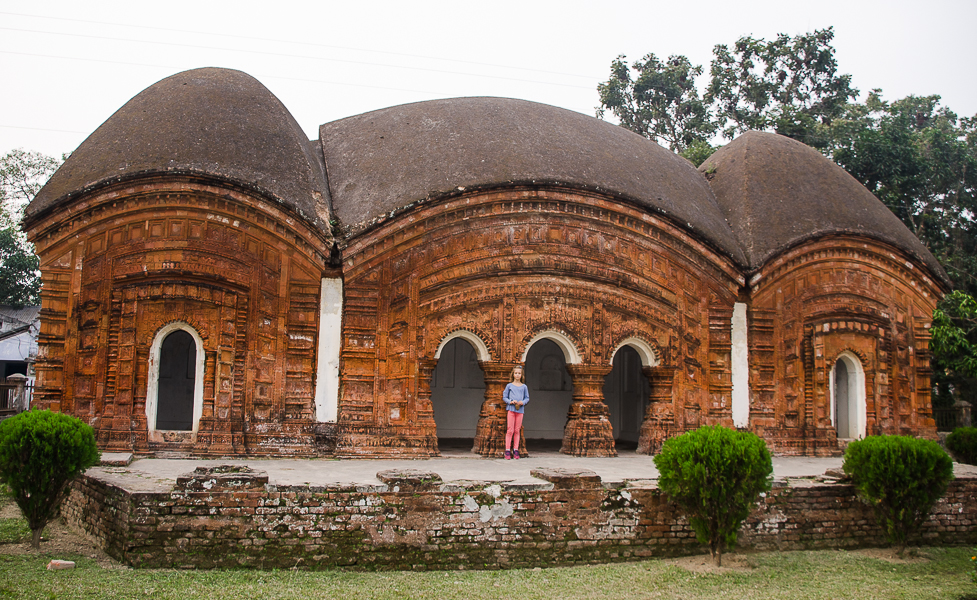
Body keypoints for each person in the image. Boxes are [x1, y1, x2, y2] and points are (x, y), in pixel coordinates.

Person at [503, 365, 529, 460]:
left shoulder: (524, 387)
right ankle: (507, 449)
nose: (517, 375)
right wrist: (510, 401)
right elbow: (504, 397)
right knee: (510, 430)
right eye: (516, 373)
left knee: (517, 430)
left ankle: (516, 449)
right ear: (513, 374)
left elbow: (527, 398)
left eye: (519, 373)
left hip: (520, 410)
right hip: (511, 409)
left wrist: (523, 402)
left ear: (522, 375)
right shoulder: (509, 386)